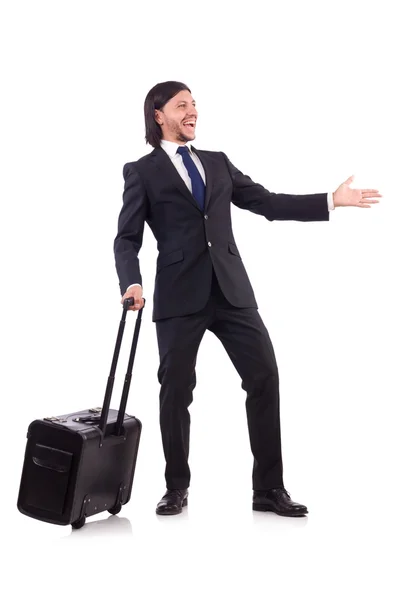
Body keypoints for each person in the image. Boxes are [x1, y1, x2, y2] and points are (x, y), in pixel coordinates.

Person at [114, 81, 381, 517]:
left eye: (195, 104)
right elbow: (126, 238)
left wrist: (332, 201)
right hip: (180, 294)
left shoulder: (217, 163)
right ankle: (176, 487)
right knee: (176, 390)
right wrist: (132, 282)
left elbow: (267, 203)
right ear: (158, 115)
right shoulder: (141, 171)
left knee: (264, 378)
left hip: (232, 290)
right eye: (182, 105)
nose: (193, 110)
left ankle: (268, 490)